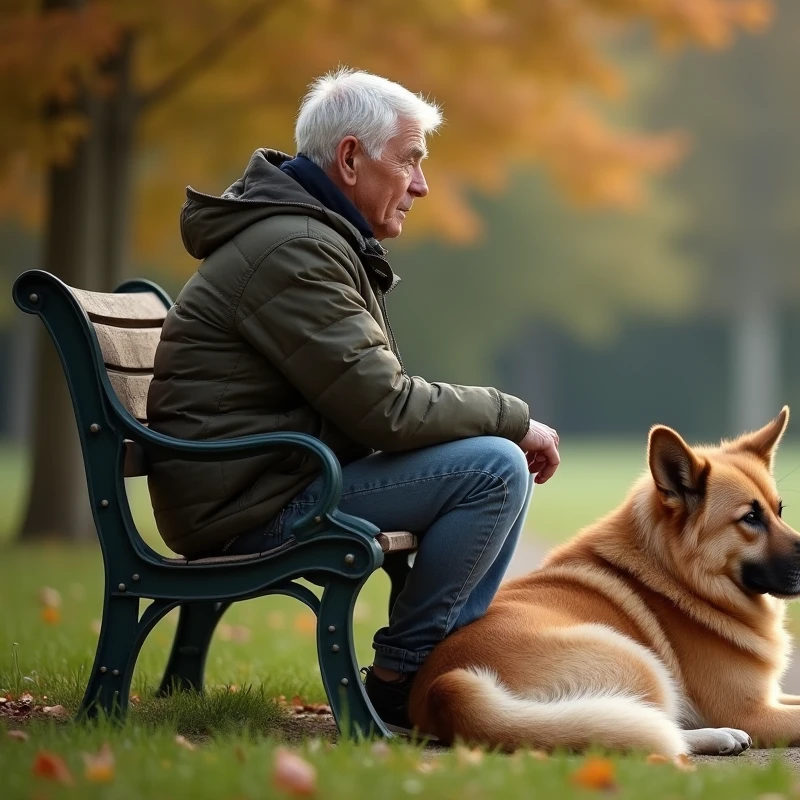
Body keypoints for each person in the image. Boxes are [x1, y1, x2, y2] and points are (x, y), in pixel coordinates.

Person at [146, 67, 560, 731]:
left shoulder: (307, 238)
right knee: (494, 466)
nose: (421, 185)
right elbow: (386, 410)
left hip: (260, 480)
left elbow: (372, 399)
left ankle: (439, 670)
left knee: (487, 457)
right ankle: (409, 677)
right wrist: (515, 418)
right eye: (410, 162)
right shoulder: (295, 249)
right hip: (251, 500)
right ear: (349, 158)